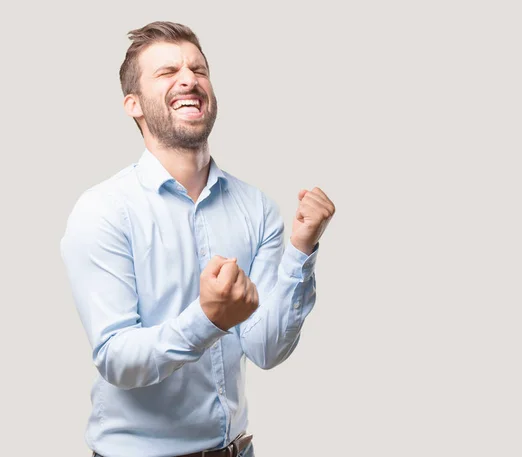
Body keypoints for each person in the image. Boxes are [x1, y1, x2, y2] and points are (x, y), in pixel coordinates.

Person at [60, 21, 335, 457]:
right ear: (133, 104)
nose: (189, 78)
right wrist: (207, 319)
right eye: (167, 72)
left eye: (198, 69)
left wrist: (301, 250)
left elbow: (266, 349)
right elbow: (116, 358)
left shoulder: (257, 208)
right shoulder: (103, 211)